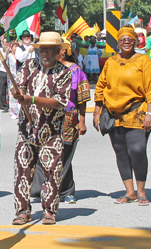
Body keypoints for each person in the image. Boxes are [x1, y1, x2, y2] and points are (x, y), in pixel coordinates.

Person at [93, 25, 151, 206]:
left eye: (130, 39)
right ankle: (129, 192)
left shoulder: (144, 61)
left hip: (137, 112)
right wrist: (97, 112)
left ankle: (141, 191)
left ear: (135, 42)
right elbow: (100, 87)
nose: (127, 42)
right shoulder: (111, 62)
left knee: (137, 150)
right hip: (114, 115)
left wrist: (150, 113)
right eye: (123, 40)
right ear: (118, 43)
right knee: (121, 152)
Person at [11, 32, 72, 226]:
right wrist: (17, 92)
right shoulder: (29, 65)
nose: (45, 53)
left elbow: (59, 102)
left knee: (51, 171)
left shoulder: (64, 72)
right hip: (26, 129)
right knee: (22, 169)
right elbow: (17, 86)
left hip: (51, 131)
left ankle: (49, 211)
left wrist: (32, 99)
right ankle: (22, 210)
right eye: (42, 49)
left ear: (58, 52)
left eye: (49, 50)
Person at [31, 37, 90, 204]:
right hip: (45, 117)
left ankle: (66, 190)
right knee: (46, 154)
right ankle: (45, 188)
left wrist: (82, 121)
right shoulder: (43, 69)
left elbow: (83, 98)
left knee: (64, 155)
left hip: (68, 117)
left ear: (62, 51)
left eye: (53, 49)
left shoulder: (76, 71)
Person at [0, 36, 10, 112]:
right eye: (4, 42)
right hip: (2, 72)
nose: (6, 43)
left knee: (11, 90)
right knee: (2, 91)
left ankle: (11, 105)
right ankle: (4, 106)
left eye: (7, 42)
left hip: (10, 73)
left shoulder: (13, 49)